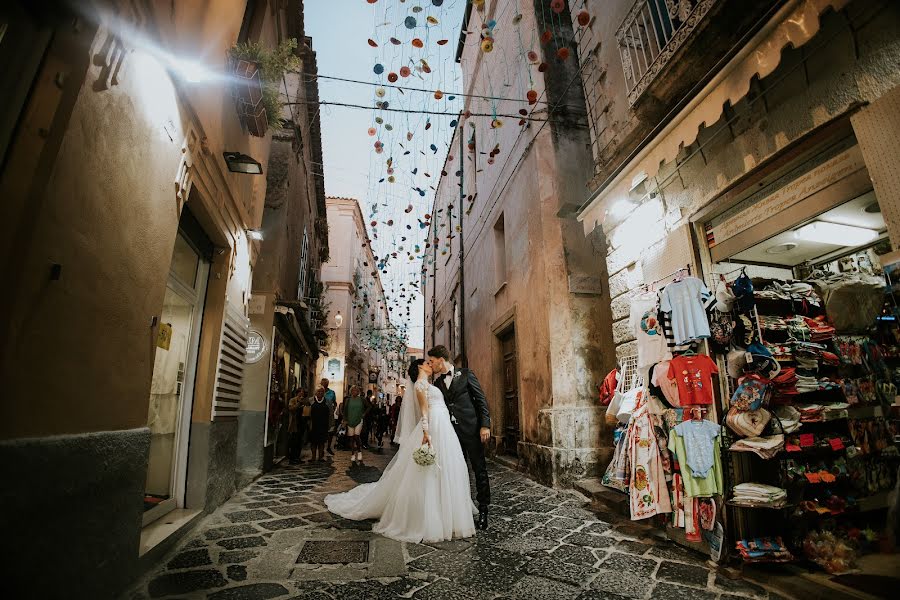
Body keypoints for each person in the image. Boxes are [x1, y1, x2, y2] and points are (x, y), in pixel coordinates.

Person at [324, 359, 476, 543]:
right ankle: (433, 515)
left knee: (446, 467)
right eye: (427, 362)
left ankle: (447, 511)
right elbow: (423, 411)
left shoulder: (429, 383)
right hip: (434, 426)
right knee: (429, 471)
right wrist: (426, 432)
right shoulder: (420, 385)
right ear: (420, 367)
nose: (430, 364)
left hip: (443, 427)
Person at [427, 345, 492, 530]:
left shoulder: (466, 374)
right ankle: (460, 509)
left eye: (432, 361)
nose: (431, 365)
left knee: (479, 469)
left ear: (441, 359)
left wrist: (485, 425)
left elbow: (481, 400)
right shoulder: (438, 384)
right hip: (450, 434)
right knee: (457, 471)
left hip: (472, 430)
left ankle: (484, 509)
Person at [341, 385, 368, 466]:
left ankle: (359, 451)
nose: (355, 392)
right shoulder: (348, 400)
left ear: (358, 391)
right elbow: (344, 410)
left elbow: (368, 407)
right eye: (353, 390)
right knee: (351, 438)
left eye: (356, 390)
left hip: (359, 420)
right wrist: (344, 420)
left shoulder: (362, 399)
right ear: (351, 391)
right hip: (350, 420)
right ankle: (353, 454)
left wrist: (364, 414)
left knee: (357, 436)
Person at [308, 387, 330, 462]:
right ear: (316, 392)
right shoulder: (311, 400)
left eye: (322, 391)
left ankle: (320, 457)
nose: (320, 393)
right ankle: (313, 457)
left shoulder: (327, 401)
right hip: (313, 424)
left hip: (323, 424)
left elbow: (330, 414)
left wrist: (330, 425)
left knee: (321, 442)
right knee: (313, 442)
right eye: (318, 391)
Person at [287, 388, 306, 465]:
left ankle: (297, 457)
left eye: (303, 393)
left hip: (302, 423)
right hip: (295, 424)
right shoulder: (293, 400)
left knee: (299, 442)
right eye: (301, 393)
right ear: (297, 393)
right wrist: (299, 404)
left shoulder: (304, 401)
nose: (302, 394)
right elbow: (291, 408)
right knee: (293, 442)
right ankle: (292, 458)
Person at [321, 378, 337, 455]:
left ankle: (329, 447)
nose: (324, 385)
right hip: (321, 415)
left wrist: (333, 409)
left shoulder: (332, 392)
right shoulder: (319, 392)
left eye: (325, 383)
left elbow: (335, 402)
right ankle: (321, 449)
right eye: (323, 383)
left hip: (330, 415)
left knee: (331, 432)